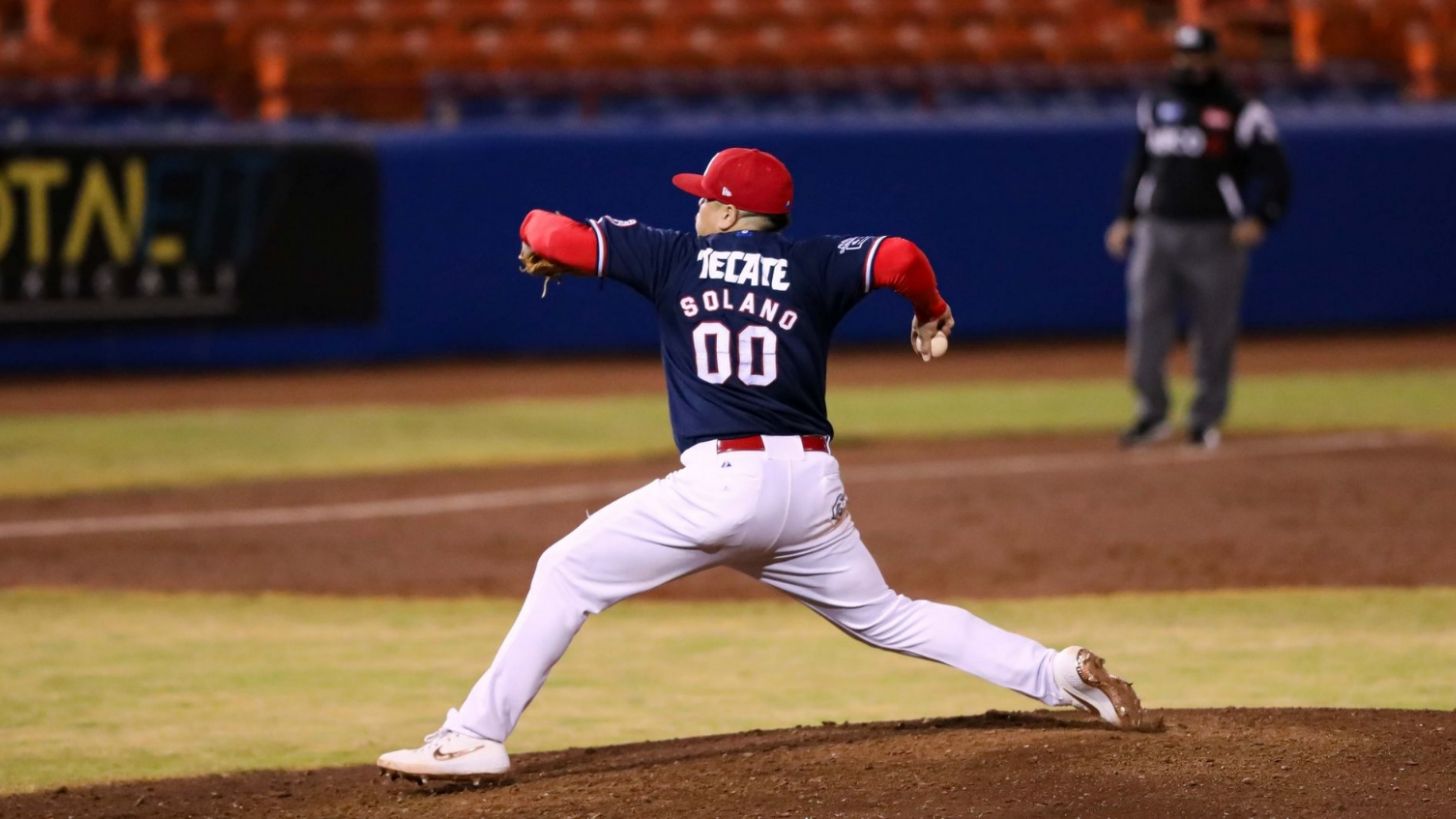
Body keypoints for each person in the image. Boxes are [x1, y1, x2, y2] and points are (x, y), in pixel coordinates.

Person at [378, 147, 1149, 785]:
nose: (695, 210)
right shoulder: (813, 263)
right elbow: (902, 256)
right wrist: (930, 311)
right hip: (811, 491)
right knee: (890, 615)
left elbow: (546, 228)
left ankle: (474, 735)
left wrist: (550, 246)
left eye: (703, 200)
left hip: (722, 485)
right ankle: (1057, 673)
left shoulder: (674, 255)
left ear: (726, 213)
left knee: (566, 571)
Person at [1105, 25, 1291, 450]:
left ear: (1214, 57)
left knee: (1213, 332)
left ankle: (1205, 418)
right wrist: (1126, 217)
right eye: (1184, 54)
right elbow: (1140, 165)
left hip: (1215, 235)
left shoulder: (1241, 109)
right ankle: (1151, 413)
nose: (1191, 63)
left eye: (1199, 55)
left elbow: (1278, 174)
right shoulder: (1156, 103)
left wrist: (1262, 218)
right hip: (1157, 229)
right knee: (1146, 324)